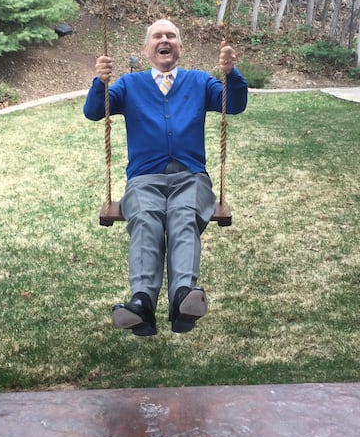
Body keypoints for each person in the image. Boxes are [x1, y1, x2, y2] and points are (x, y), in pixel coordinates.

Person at [84, 18, 248, 336]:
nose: (165, 40)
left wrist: (231, 74)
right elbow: (94, 111)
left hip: (191, 178)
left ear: (180, 47)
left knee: (183, 216)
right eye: (157, 36)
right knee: (145, 218)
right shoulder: (130, 85)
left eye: (171, 36)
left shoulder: (200, 82)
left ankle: (184, 297)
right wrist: (99, 81)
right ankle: (142, 303)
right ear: (147, 49)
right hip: (144, 179)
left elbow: (235, 105)